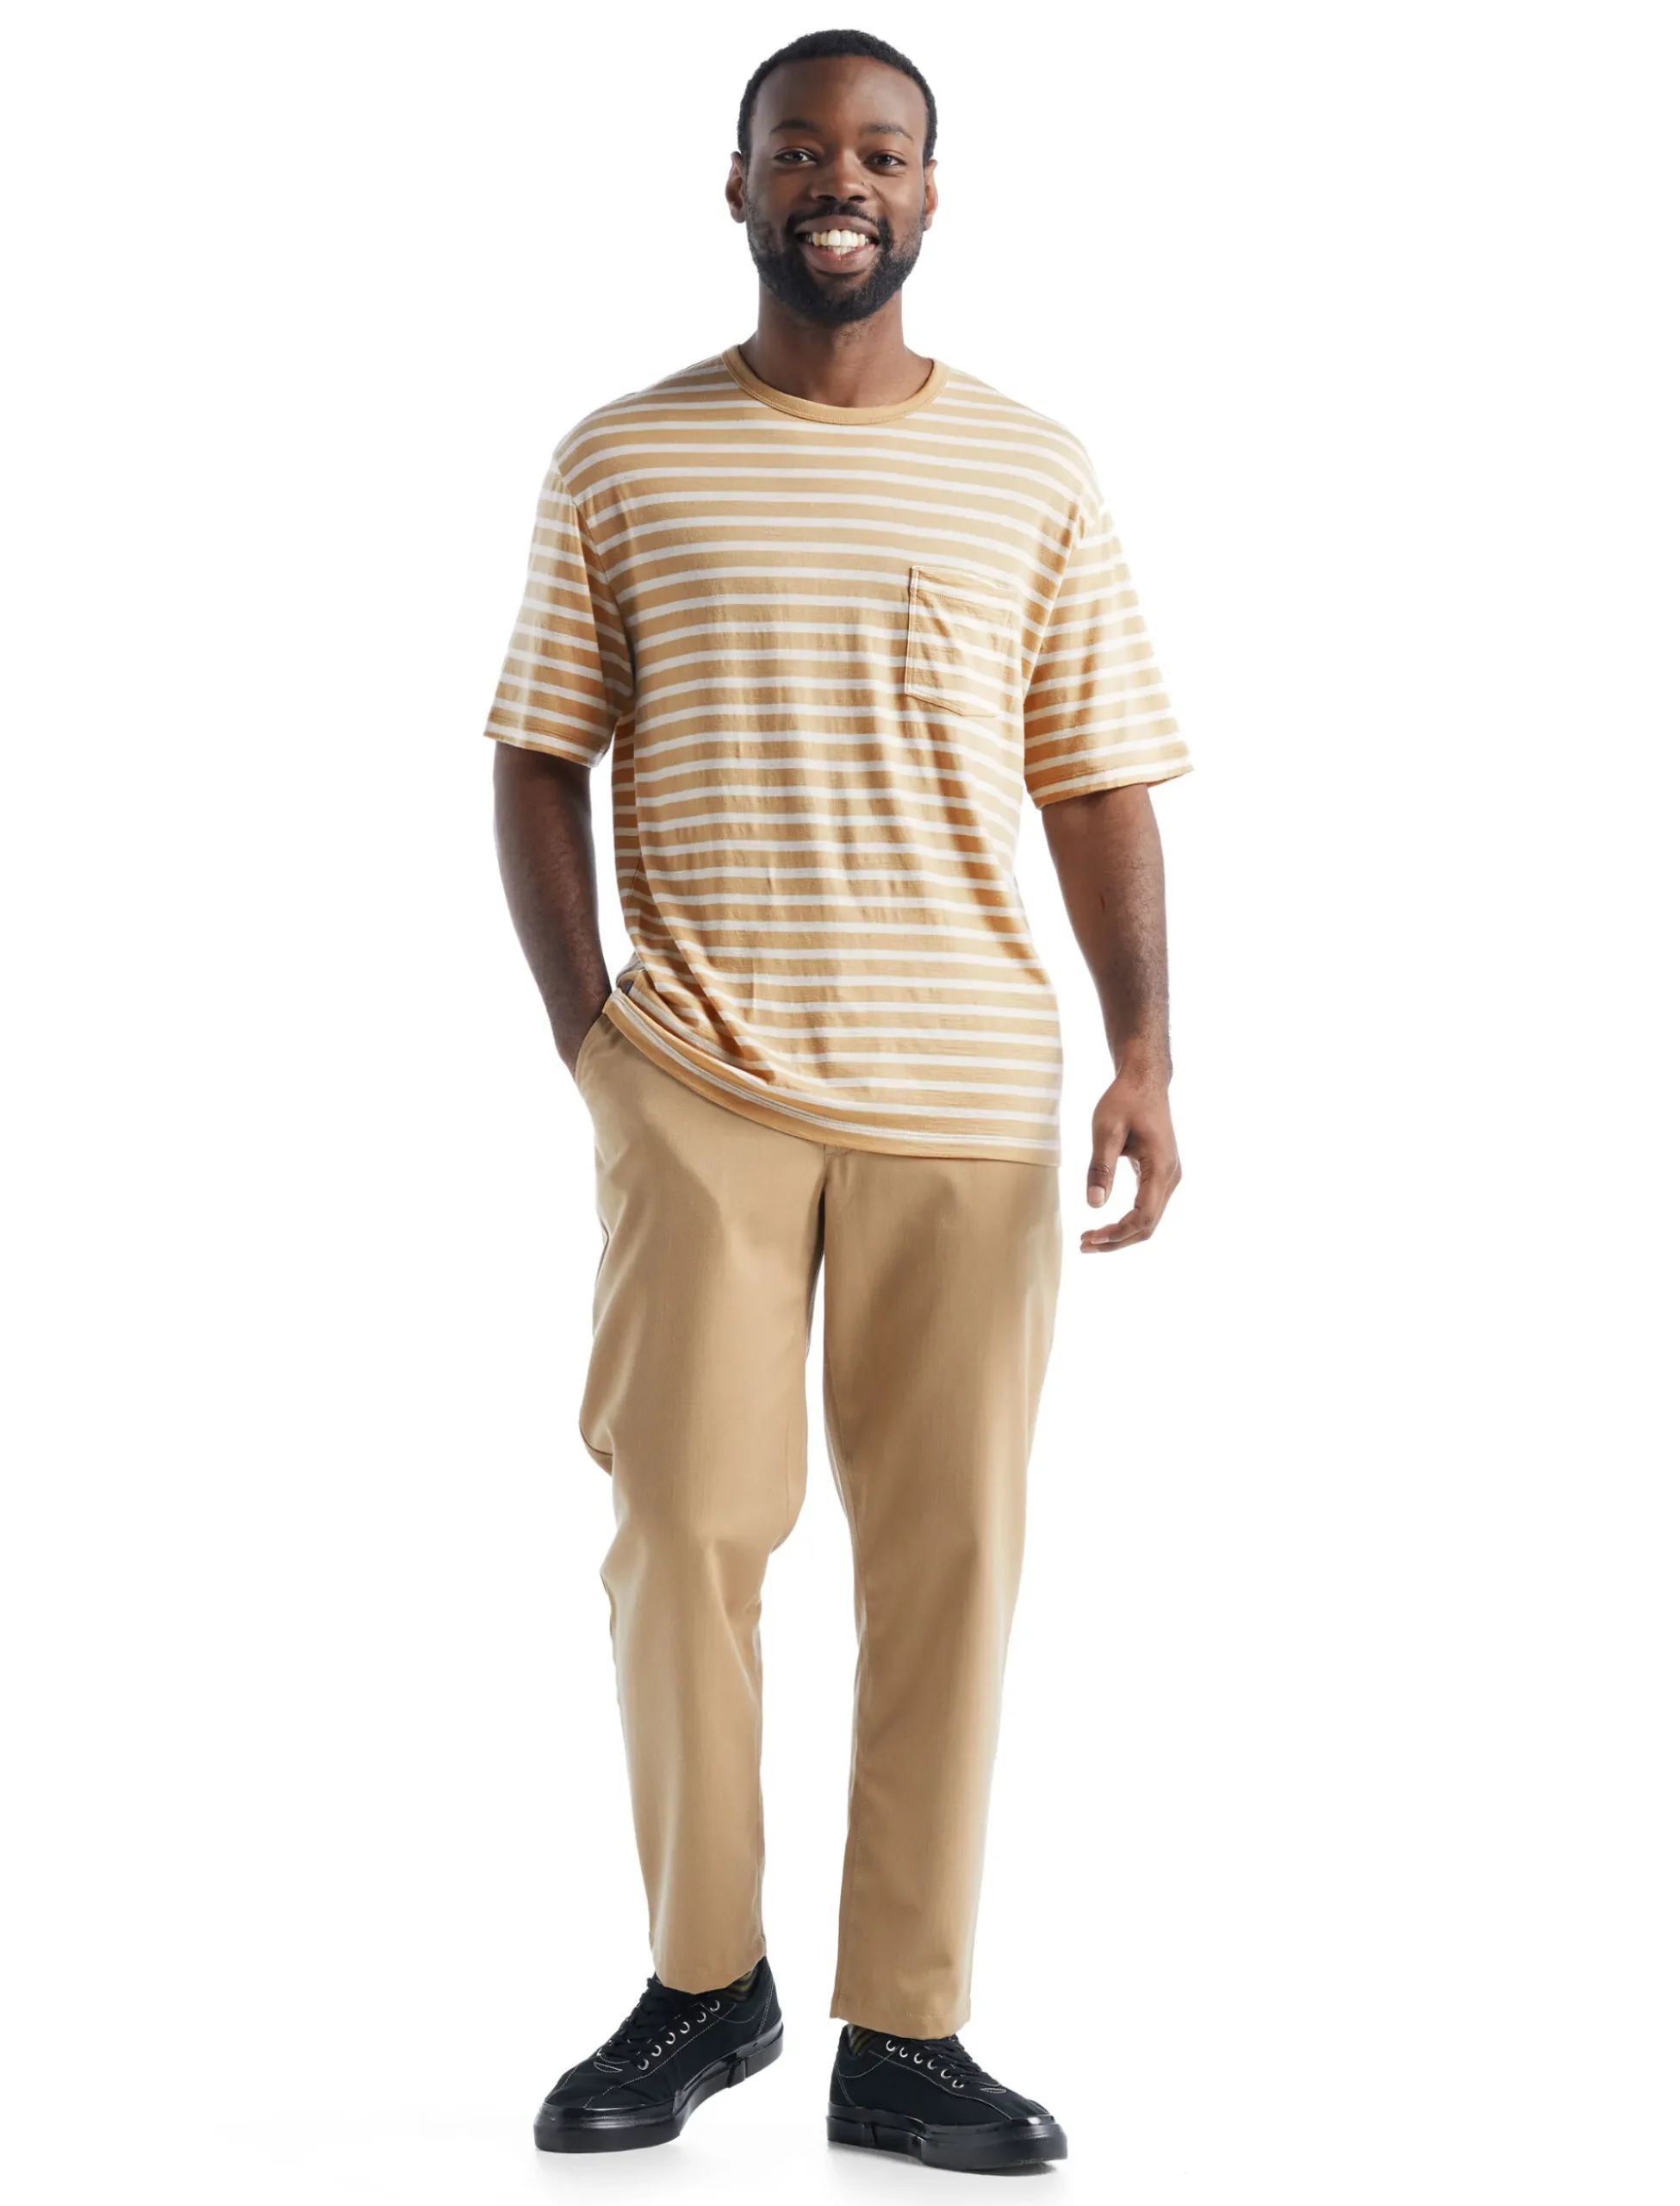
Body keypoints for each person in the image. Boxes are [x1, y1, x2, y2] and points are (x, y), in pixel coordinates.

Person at [482, 26, 1192, 2172]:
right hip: (700, 1079)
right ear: (740, 185)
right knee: (683, 1534)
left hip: (966, 1091)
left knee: (950, 1558)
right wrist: (594, 1043)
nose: (841, 180)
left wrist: (1148, 1049)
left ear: (932, 192)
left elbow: (1096, 776)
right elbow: (536, 753)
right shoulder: (624, 456)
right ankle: (706, 1979)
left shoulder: (1034, 468)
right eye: (802, 148)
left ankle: (907, 2026)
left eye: (882, 150)